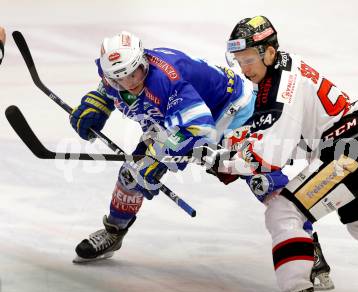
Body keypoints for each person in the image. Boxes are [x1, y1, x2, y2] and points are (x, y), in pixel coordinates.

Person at [215, 16, 358, 292]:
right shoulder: (286, 70)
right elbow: (295, 140)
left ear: (270, 52)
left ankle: (298, 291)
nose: (244, 69)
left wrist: (224, 161)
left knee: (283, 211)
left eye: (248, 59)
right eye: (239, 60)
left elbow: (271, 157)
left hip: (350, 154)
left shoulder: (281, 86)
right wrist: (244, 146)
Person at [69, 31, 256, 263]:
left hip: (233, 110)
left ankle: (306, 245)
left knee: (256, 171)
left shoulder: (167, 80)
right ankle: (114, 232)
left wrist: (159, 158)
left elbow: (198, 130)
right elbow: (108, 85)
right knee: (132, 173)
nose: (130, 84)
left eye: (134, 74)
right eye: (119, 79)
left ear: (143, 61)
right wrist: (99, 102)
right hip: (177, 116)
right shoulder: (115, 73)